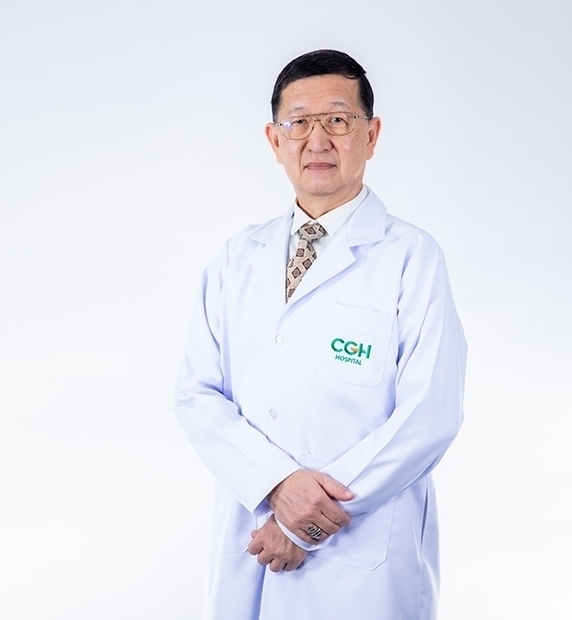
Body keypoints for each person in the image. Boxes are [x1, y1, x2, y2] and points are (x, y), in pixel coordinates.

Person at [173, 49, 467, 620]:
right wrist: (275, 484)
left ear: (371, 135)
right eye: (299, 123)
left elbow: (430, 415)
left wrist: (302, 521)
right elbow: (196, 394)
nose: (317, 140)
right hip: (252, 538)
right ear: (274, 139)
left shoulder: (411, 258)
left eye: (337, 119)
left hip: (361, 555)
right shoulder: (237, 259)